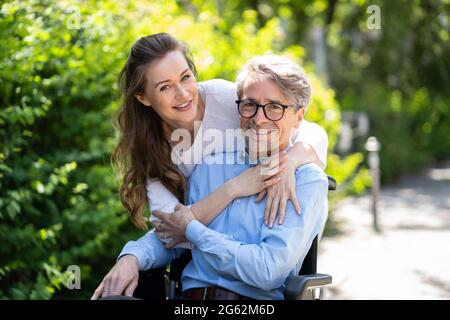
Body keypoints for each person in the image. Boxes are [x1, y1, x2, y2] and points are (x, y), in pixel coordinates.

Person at [91, 33, 327, 299]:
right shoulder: (209, 168)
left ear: (298, 116)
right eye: (249, 105)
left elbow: (267, 271)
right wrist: (132, 256)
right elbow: (171, 231)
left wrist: (288, 163)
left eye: (274, 107)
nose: (259, 119)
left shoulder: (307, 181)